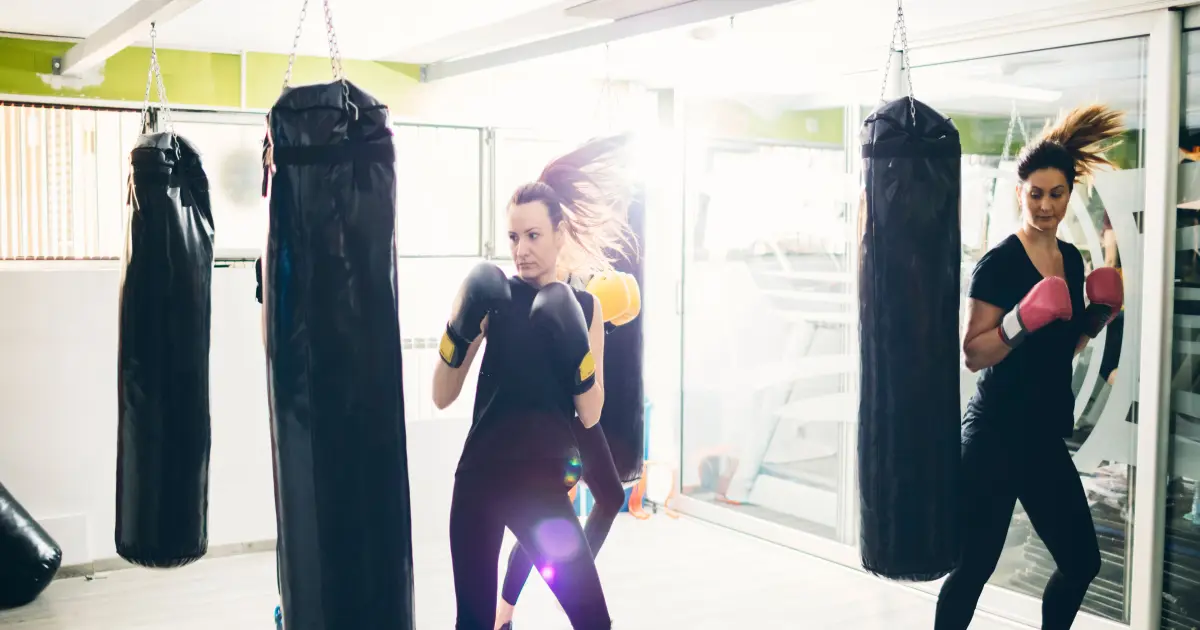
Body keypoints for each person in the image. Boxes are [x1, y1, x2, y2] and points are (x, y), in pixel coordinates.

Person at [432, 135, 636, 630]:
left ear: (559, 233)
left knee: (594, 621)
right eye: (513, 237)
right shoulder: (493, 296)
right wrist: (457, 331)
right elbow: (442, 395)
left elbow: (589, 412)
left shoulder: (585, 307)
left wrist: (576, 351)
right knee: (474, 623)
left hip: (542, 489)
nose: (521, 250)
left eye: (533, 236)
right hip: (480, 479)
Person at [935, 104, 1125, 630]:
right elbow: (973, 353)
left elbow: (1062, 350)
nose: (1045, 205)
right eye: (1035, 193)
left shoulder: (1071, 259)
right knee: (973, 568)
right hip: (995, 435)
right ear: (1020, 193)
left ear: (1070, 193)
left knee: (1082, 562)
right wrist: (1020, 320)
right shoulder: (998, 263)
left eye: (1056, 194)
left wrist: (1097, 318)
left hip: (1042, 439)